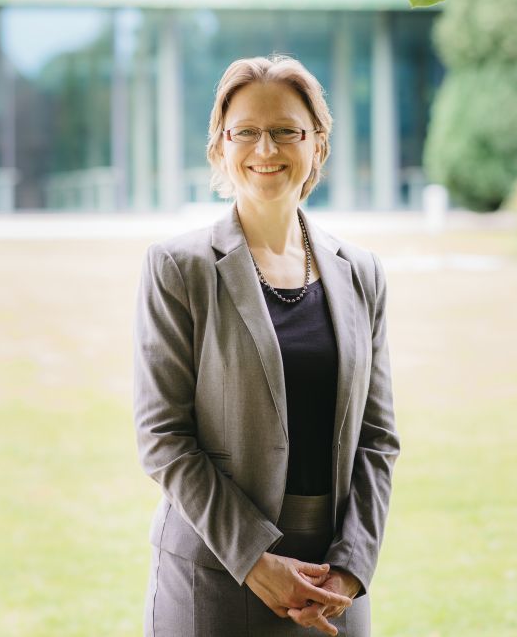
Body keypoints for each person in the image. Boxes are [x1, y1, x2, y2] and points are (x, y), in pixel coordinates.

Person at [133, 55, 400, 636]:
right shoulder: (178, 269)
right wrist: (255, 559)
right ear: (220, 147)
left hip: (333, 585)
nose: (266, 149)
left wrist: (352, 570)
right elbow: (163, 439)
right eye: (246, 131)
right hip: (213, 576)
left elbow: (377, 440)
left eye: (286, 131)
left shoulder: (362, 273)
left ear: (318, 146)